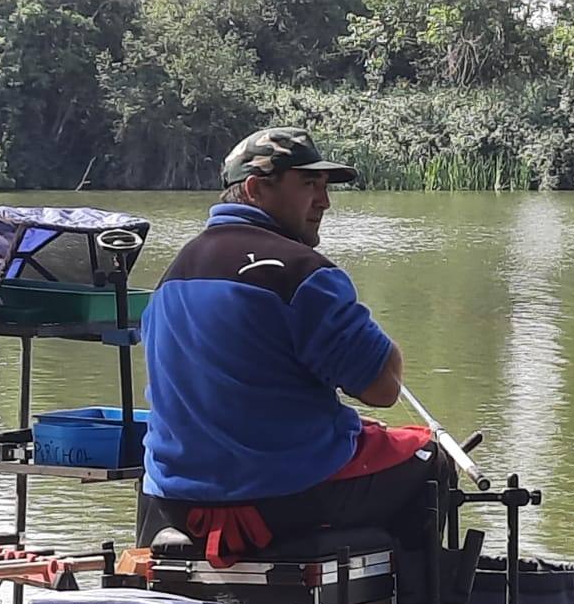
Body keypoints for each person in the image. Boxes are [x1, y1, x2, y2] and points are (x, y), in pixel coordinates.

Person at [135, 126, 455, 565]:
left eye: (324, 187)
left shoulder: (172, 276)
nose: (324, 201)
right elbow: (384, 388)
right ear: (255, 188)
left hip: (175, 501)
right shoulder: (302, 272)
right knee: (430, 460)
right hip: (281, 499)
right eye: (308, 185)